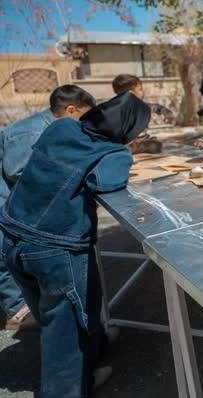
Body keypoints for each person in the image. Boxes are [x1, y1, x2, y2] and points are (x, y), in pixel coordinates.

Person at [0, 92, 151, 396]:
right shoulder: (114, 153)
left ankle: (92, 352)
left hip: (13, 235)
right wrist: (125, 151)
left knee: (58, 311)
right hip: (56, 247)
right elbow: (106, 183)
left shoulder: (60, 128)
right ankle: (68, 389)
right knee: (64, 327)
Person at [0, 85, 96, 331]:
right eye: (83, 118)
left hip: (19, 208)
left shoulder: (49, 127)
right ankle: (19, 312)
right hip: (9, 205)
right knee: (7, 257)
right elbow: (20, 172)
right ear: (71, 110)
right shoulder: (31, 132)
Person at [112, 74, 161, 154]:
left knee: (155, 143)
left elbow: (155, 107)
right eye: (140, 89)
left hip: (138, 142)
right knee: (153, 146)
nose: (143, 92)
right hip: (127, 144)